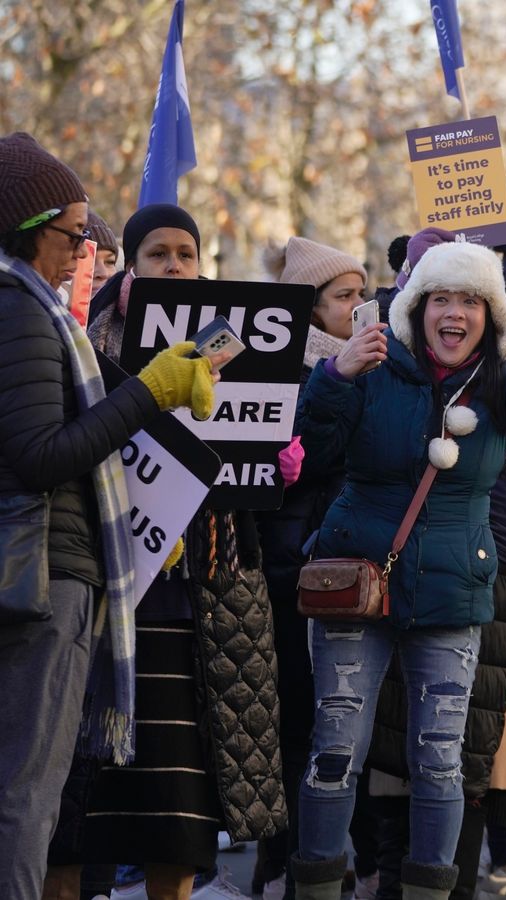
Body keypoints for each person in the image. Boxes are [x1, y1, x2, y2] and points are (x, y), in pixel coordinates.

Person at [289, 239, 506, 900]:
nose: (454, 313)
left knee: (440, 765)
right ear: (418, 307)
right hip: (354, 584)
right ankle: (312, 888)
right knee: (334, 756)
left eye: (470, 301)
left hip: (454, 594)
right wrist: (333, 376)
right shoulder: (370, 366)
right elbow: (313, 452)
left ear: (492, 314)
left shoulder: (504, 389)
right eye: (440, 299)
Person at [0, 133, 217, 900]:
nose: (84, 249)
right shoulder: (24, 312)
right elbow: (41, 455)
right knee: (28, 792)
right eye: (74, 234)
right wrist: (148, 393)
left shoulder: (30, 309)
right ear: (30, 230)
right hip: (44, 581)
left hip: (45, 574)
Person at [73, 202, 284, 900]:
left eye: (185, 254)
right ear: (131, 267)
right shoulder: (86, 344)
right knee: (81, 810)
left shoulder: (236, 345)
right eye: (157, 253)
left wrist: (276, 458)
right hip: (108, 597)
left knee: (179, 816)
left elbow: (249, 444)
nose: (174, 266)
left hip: (198, 599)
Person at [254, 235, 379, 896]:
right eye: (345, 296)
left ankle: (334, 852)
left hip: (347, 566)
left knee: (341, 722)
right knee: (296, 720)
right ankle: (286, 856)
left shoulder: (373, 366)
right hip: (292, 569)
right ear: (311, 308)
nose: (360, 306)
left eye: (363, 292)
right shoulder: (282, 369)